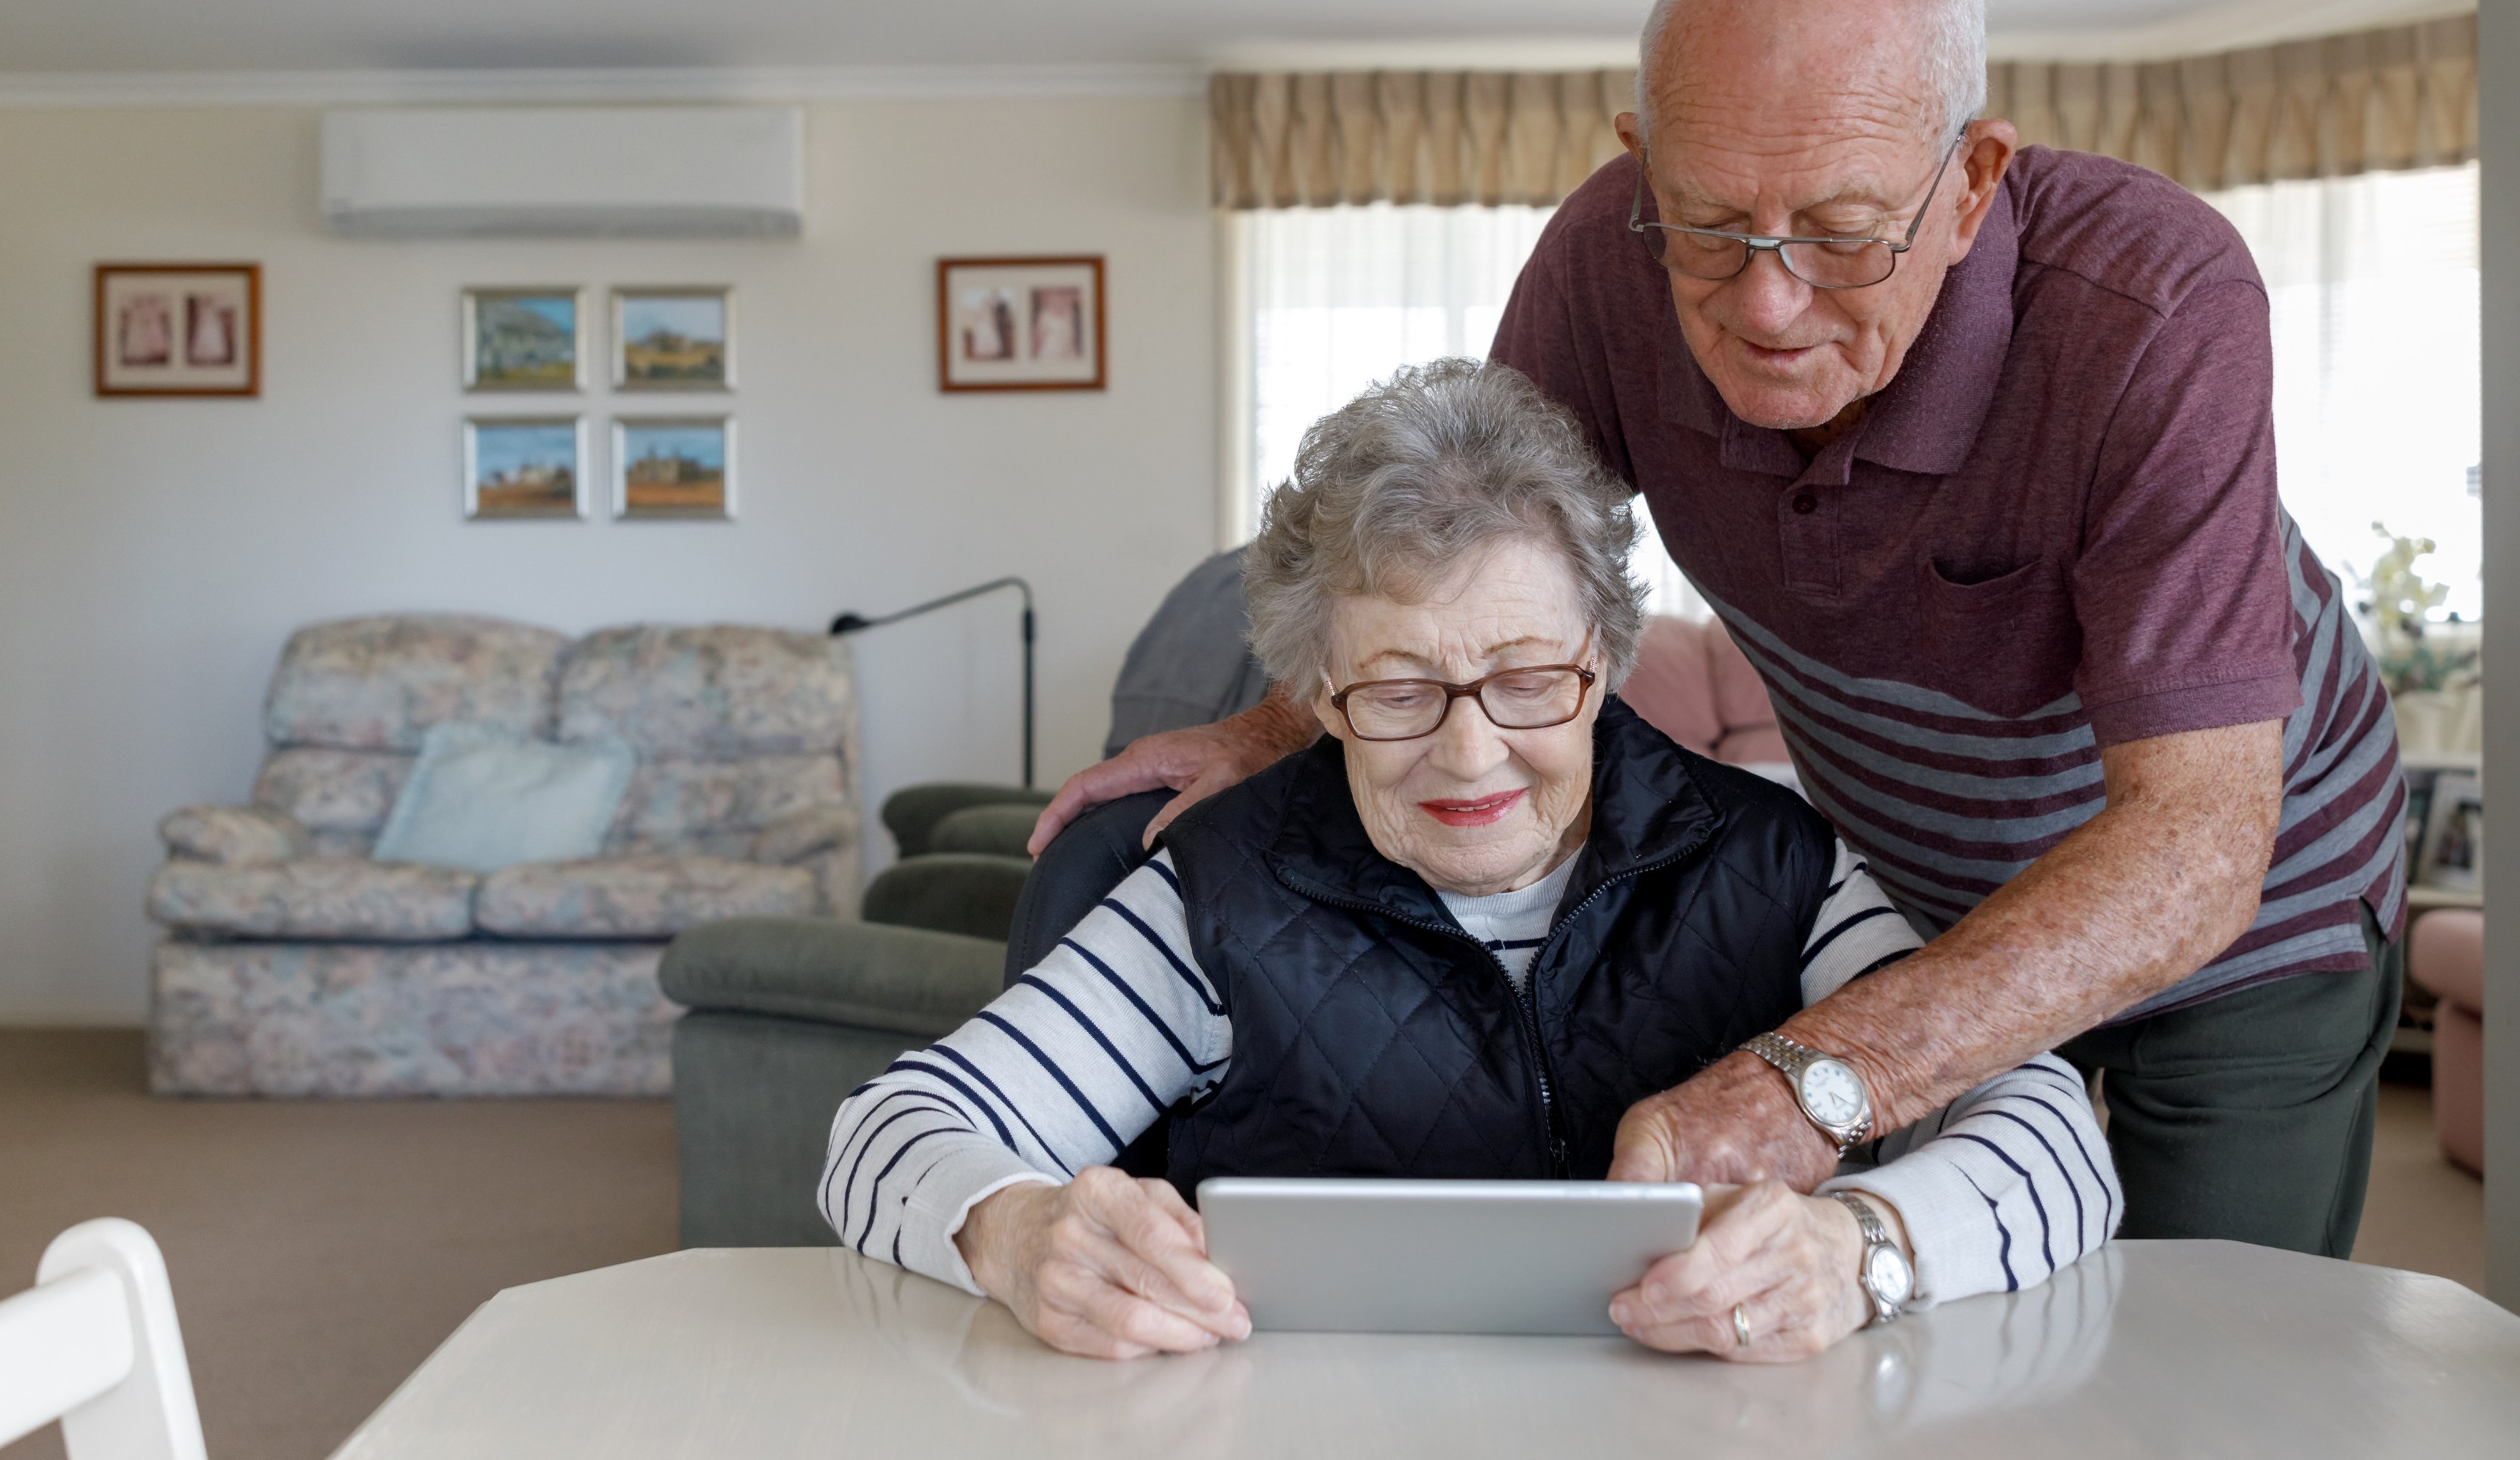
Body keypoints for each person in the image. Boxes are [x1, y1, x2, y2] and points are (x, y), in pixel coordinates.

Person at [1031, 0, 2404, 1258]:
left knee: (2209, 1351)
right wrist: (1268, 729)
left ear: (1974, 181)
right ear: (1643, 170)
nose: (1764, 305)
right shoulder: (1602, 267)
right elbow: (1454, 551)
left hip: (2242, 917)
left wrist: (1820, 1077)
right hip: (1931, 907)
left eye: (1843, 231)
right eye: (1710, 226)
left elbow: (2197, 842)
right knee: (1965, 1331)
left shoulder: (2154, 310)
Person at [826, 362, 2118, 1362]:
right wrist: (1013, 1229)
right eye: (1397, 691)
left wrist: (1863, 1251)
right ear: (1318, 695)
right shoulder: (1213, 890)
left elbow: (2060, 1142)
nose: (1469, 754)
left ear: (1603, 663)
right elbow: (886, 1132)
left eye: (1526, 681)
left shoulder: (1776, 866)